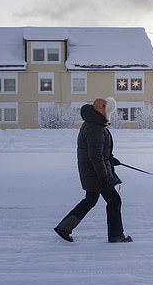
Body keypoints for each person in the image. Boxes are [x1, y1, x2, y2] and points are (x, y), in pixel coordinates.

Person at [54, 97, 133, 243]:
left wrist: (110, 159)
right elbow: (95, 157)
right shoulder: (95, 128)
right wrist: (104, 178)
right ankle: (116, 235)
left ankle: (64, 228)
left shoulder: (94, 125)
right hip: (97, 174)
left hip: (93, 172)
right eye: (108, 111)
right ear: (101, 110)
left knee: (90, 200)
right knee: (114, 200)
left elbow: (99, 152)